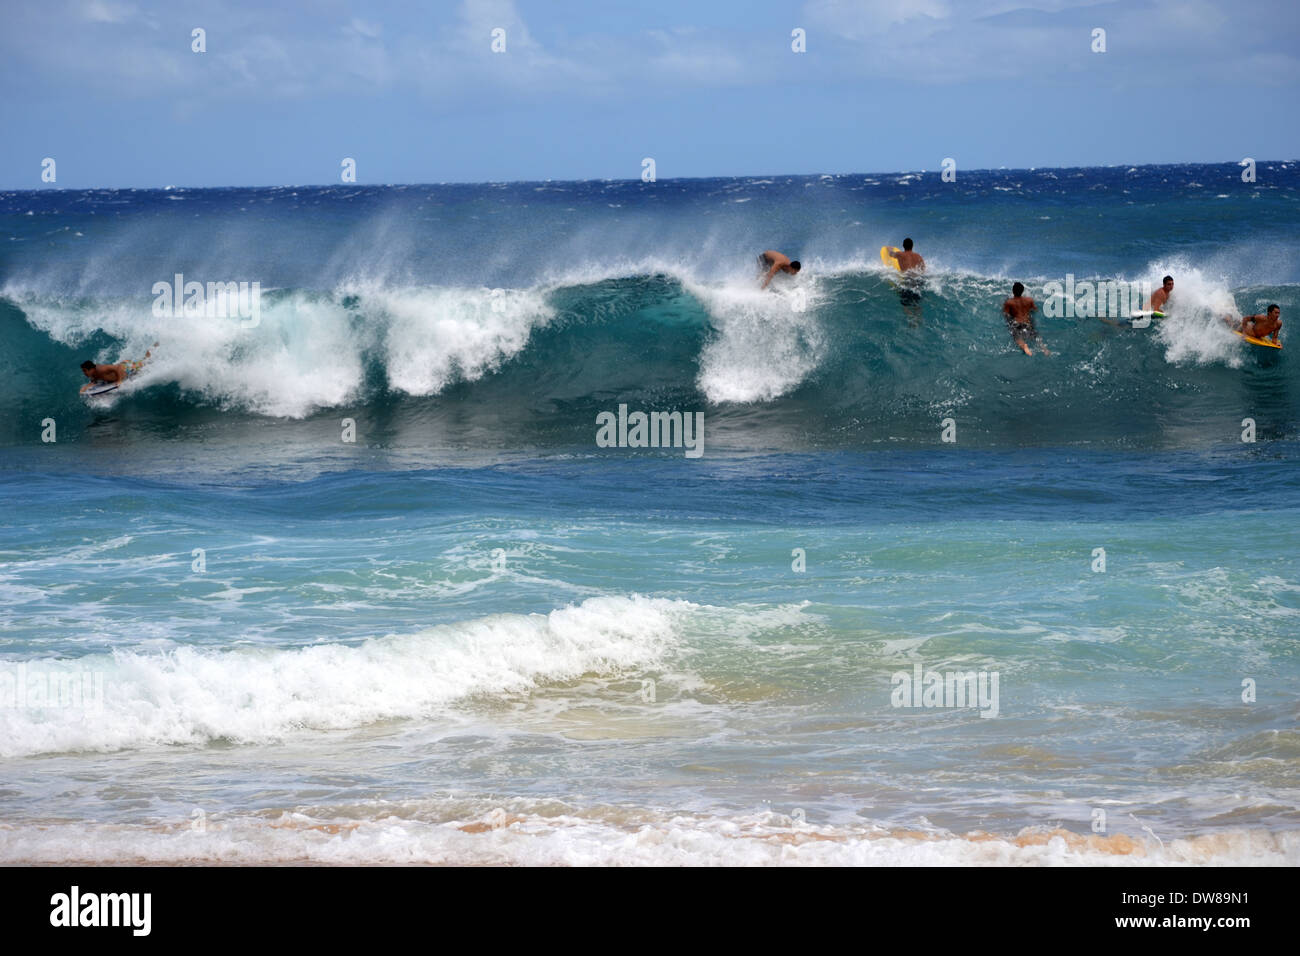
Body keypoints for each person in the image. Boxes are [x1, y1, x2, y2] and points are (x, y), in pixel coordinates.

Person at [79, 344, 155, 393]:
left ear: (91, 369)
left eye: (85, 371)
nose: (84, 373)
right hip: (123, 365)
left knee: (145, 361)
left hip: (127, 368)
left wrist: (119, 380)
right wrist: (85, 387)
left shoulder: (101, 369)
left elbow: (117, 367)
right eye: (83, 371)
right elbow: (94, 381)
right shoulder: (93, 374)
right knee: (143, 362)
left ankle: (151, 349)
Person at [1002, 282, 1049, 356]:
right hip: (1027, 324)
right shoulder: (1029, 300)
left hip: (1016, 324)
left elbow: (1006, 314)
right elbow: (1035, 310)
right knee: (1036, 337)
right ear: (1022, 291)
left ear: (1013, 291)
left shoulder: (1009, 302)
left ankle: (1025, 346)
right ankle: (1044, 349)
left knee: (1017, 338)